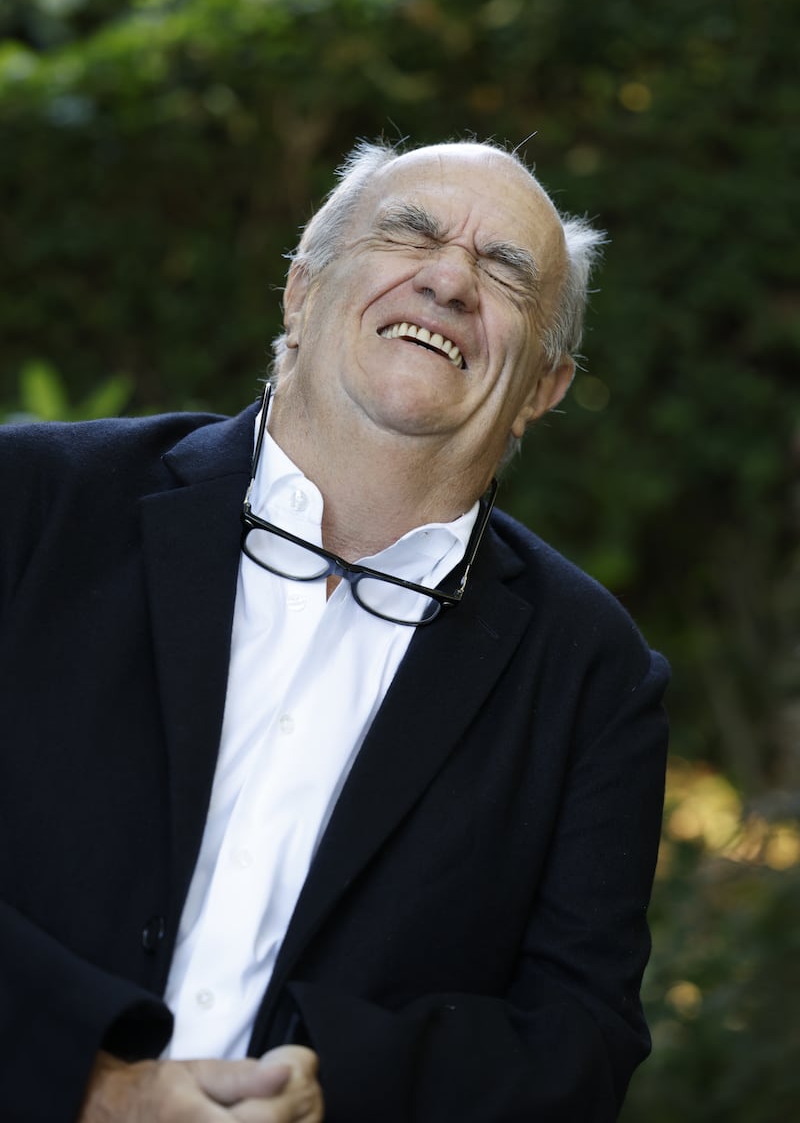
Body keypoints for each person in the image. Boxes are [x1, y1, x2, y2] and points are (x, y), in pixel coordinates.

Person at [0, 139, 669, 1122]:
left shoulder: (594, 675)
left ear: (543, 387)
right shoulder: (33, 504)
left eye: (503, 273)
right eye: (410, 235)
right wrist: (87, 1080)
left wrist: (339, 1091)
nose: (448, 280)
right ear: (301, 292)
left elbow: (577, 1044)